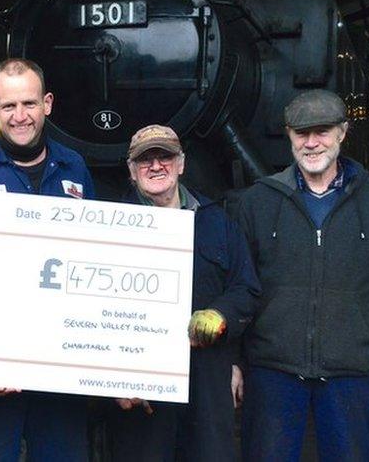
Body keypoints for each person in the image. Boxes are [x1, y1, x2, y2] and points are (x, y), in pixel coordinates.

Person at [234, 89, 369, 461]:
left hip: (350, 372)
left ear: (343, 132)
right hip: (272, 370)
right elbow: (238, 290)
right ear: (289, 135)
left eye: (322, 131)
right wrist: (233, 360)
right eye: (301, 133)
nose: (312, 143)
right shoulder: (258, 202)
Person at [0, 57, 95, 461]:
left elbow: (93, 259)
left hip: (60, 367)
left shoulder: (75, 168)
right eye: (8, 106)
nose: (20, 116)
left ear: (47, 103)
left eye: (29, 103)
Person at [107, 124, 260, 461]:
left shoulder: (217, 222)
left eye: (165, 157)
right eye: (145, 160)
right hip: (141, 390)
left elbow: (246, 288)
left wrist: (221, 317)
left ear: (181, 164)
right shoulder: (111, 227)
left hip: (206, 378)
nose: (156, 166)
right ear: (132, 171)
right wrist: (111, 379)